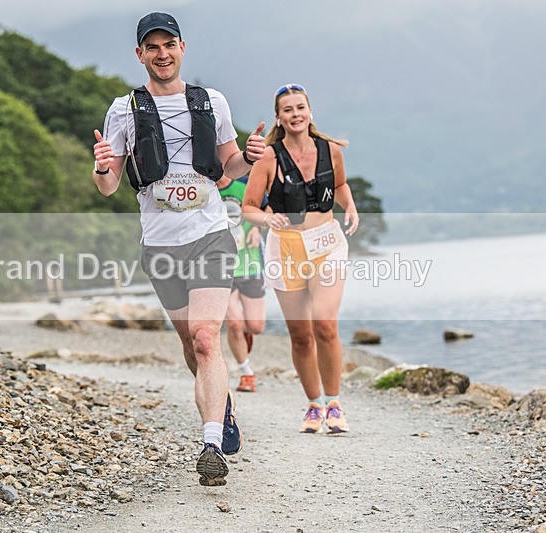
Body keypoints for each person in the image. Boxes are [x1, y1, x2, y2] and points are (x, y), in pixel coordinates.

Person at [91, 12, 266, 486]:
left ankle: (211, 442)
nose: (162, 54)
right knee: (191, 344)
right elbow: (108, 186)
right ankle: (222, 408)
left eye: (169, 45)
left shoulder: (211, 101)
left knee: (207, 337)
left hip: (210, 235)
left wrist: (248, 158)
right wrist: (103, 164)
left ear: (182, 48)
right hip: (161, 244)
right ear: (140, 54)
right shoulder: (124, 109)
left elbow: (228, 166)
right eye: (153, 47)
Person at [242, 84, 359, 434]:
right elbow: (249, 207)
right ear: (279, 117)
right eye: (288, 109)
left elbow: (339, 186)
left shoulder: (331, 150)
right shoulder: (268, 157)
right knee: (301, 335)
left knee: (325, 324)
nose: (295, 114)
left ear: (310, 111)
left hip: (326, 244)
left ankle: (334, 404)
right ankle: (314, 404)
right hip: (286, 249)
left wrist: (350, 206)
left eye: (300, 107)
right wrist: (267, 220)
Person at [217, 175, 266, 392]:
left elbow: (269, 207)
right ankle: (246, 373)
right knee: (234, 323)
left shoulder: (245, 184)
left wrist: (257, 227)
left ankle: (244, 333)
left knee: (256, 326)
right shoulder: (204, 190)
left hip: (250, 264)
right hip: (219, 267)